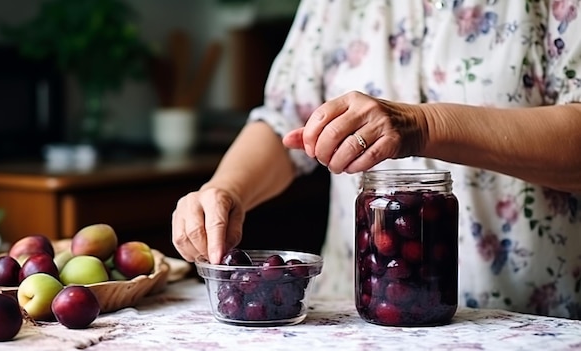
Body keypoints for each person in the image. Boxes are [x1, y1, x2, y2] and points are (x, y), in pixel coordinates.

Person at [172, 0, 581, 319]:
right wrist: (225, 189)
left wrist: (425, 125)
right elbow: (286, 122)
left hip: (526, 321)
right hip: (355, 320)